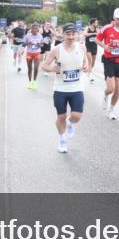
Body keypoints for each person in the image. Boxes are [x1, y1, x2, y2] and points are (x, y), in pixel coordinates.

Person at [41, 23, 88, 153]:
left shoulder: (82, 47)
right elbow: (44, 65)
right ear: (63, 35)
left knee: (76, 116)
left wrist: (86, 66)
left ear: (77, 35)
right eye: (68, 34)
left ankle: (70, 123)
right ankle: (62, 140)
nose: (71, 37)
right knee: (61, 117)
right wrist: (52, 68)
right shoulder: (56, 50)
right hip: (60, 88)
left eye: (73, 34)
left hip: (77, 87)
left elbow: (86, 62)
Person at [97, 8, 119, 120]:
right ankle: (105, 95)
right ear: (113, 18)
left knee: (117, 90)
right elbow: (97, 40)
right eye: (117, 18)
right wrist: (104, 46)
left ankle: (111, 110)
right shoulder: (107, 28)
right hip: (109, 61)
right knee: (111, 88)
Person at [23, 23, 44, 89]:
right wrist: (27, 43)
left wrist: (39, 44)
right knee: (30, 68)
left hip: (37, 53)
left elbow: (42, 45)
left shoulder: (40, 36)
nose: (34, 30)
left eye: (36, 29)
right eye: (33, 28)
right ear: (31, 29)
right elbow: (23, 44)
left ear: (38, 29)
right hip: (29, 54)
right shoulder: (27, 36)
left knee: (36, 68)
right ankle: (29, 82)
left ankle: (34, 82)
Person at [83, 18, 99, 84]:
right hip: (88, 47)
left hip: (94, 47)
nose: (97, 24)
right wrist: (93, 34)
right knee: (90, 61)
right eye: (96, 22)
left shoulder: (97, 29)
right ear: (93, 23)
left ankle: (88, 71)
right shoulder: (88, 28)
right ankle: (90, 77)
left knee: (93, 63)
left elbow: (100, 35)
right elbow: (85, 34)